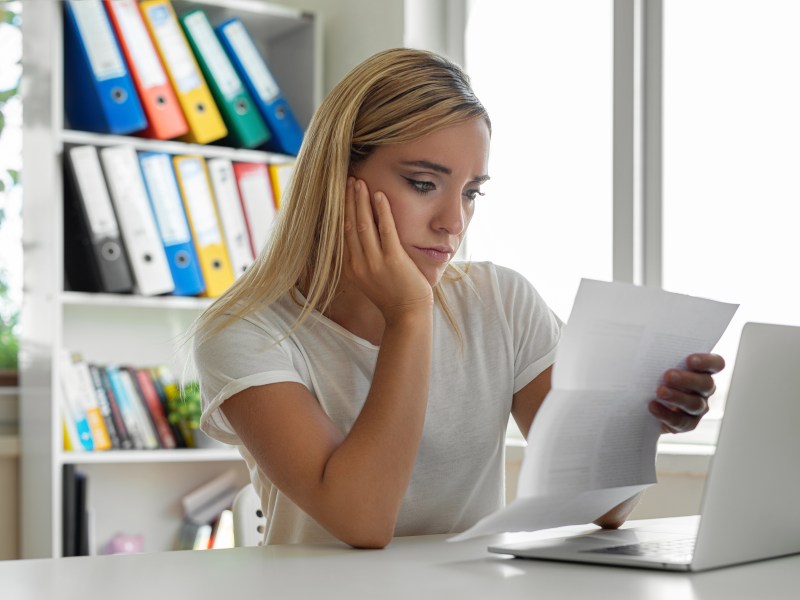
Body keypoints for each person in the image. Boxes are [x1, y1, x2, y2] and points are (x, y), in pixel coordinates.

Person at [192, 48, 724, 549]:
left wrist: (642, 421)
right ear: (338, 178)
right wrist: (408, 315)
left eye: (471, 193)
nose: (454, 222)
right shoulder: (245, 332)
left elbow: (604, 506)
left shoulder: (501, 301)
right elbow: (362, 520)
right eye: (424, 184)